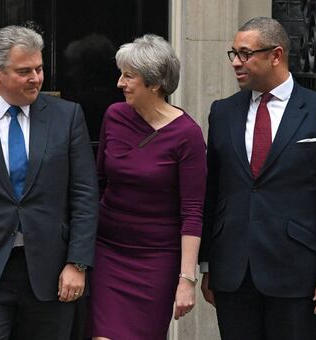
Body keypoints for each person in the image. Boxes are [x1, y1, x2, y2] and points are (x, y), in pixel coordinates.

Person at [199, 17, 316, 340]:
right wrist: (207, 265)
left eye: (244, 54)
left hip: (297, 272)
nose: (236, 63)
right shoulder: (223, 112)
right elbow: (212, 190)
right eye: (233, 54)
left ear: (276, 55)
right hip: (233, 272)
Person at [0, 24, 98, 340]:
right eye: (24, 71)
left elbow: (84, 193)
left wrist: (78, 263)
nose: (37, 78)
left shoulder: (67, 116)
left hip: (52, 271)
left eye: (39, 68)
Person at [87, 34, 207, 340]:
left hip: (156, 259)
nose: (119, 83)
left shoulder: (187, 135)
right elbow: (99, 181)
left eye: (129, 76)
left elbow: (192, 211)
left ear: (154, 84)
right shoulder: (114, 116)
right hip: (109, 251)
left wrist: (186, 279)